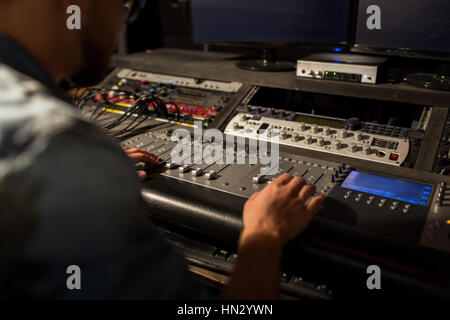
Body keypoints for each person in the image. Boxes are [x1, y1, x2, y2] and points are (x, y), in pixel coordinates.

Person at [0, 0, 325, 299]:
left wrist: (88, 178)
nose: (122, 25)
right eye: (123, 5)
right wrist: (264, 236)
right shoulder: (59, 149)